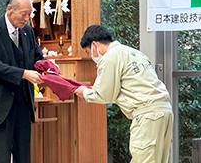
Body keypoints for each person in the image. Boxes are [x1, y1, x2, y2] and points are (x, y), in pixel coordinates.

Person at [74, 25, 173, 163]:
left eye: (88, 51)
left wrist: (84, 92)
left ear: (94, 45)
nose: (90, 56)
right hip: (164, 112)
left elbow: (104, 95)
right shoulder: (133, 52)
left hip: (147, 115)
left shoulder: (110, 57)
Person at [0, 0, 44, 163]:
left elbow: (36, 59)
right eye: (24, 14)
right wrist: (23, 74)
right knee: (1, 157)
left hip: (23, 103)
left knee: (23, 156)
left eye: (30, 14)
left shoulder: (27, 31)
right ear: (9, 9)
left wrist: (47, 68)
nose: (27, 18)